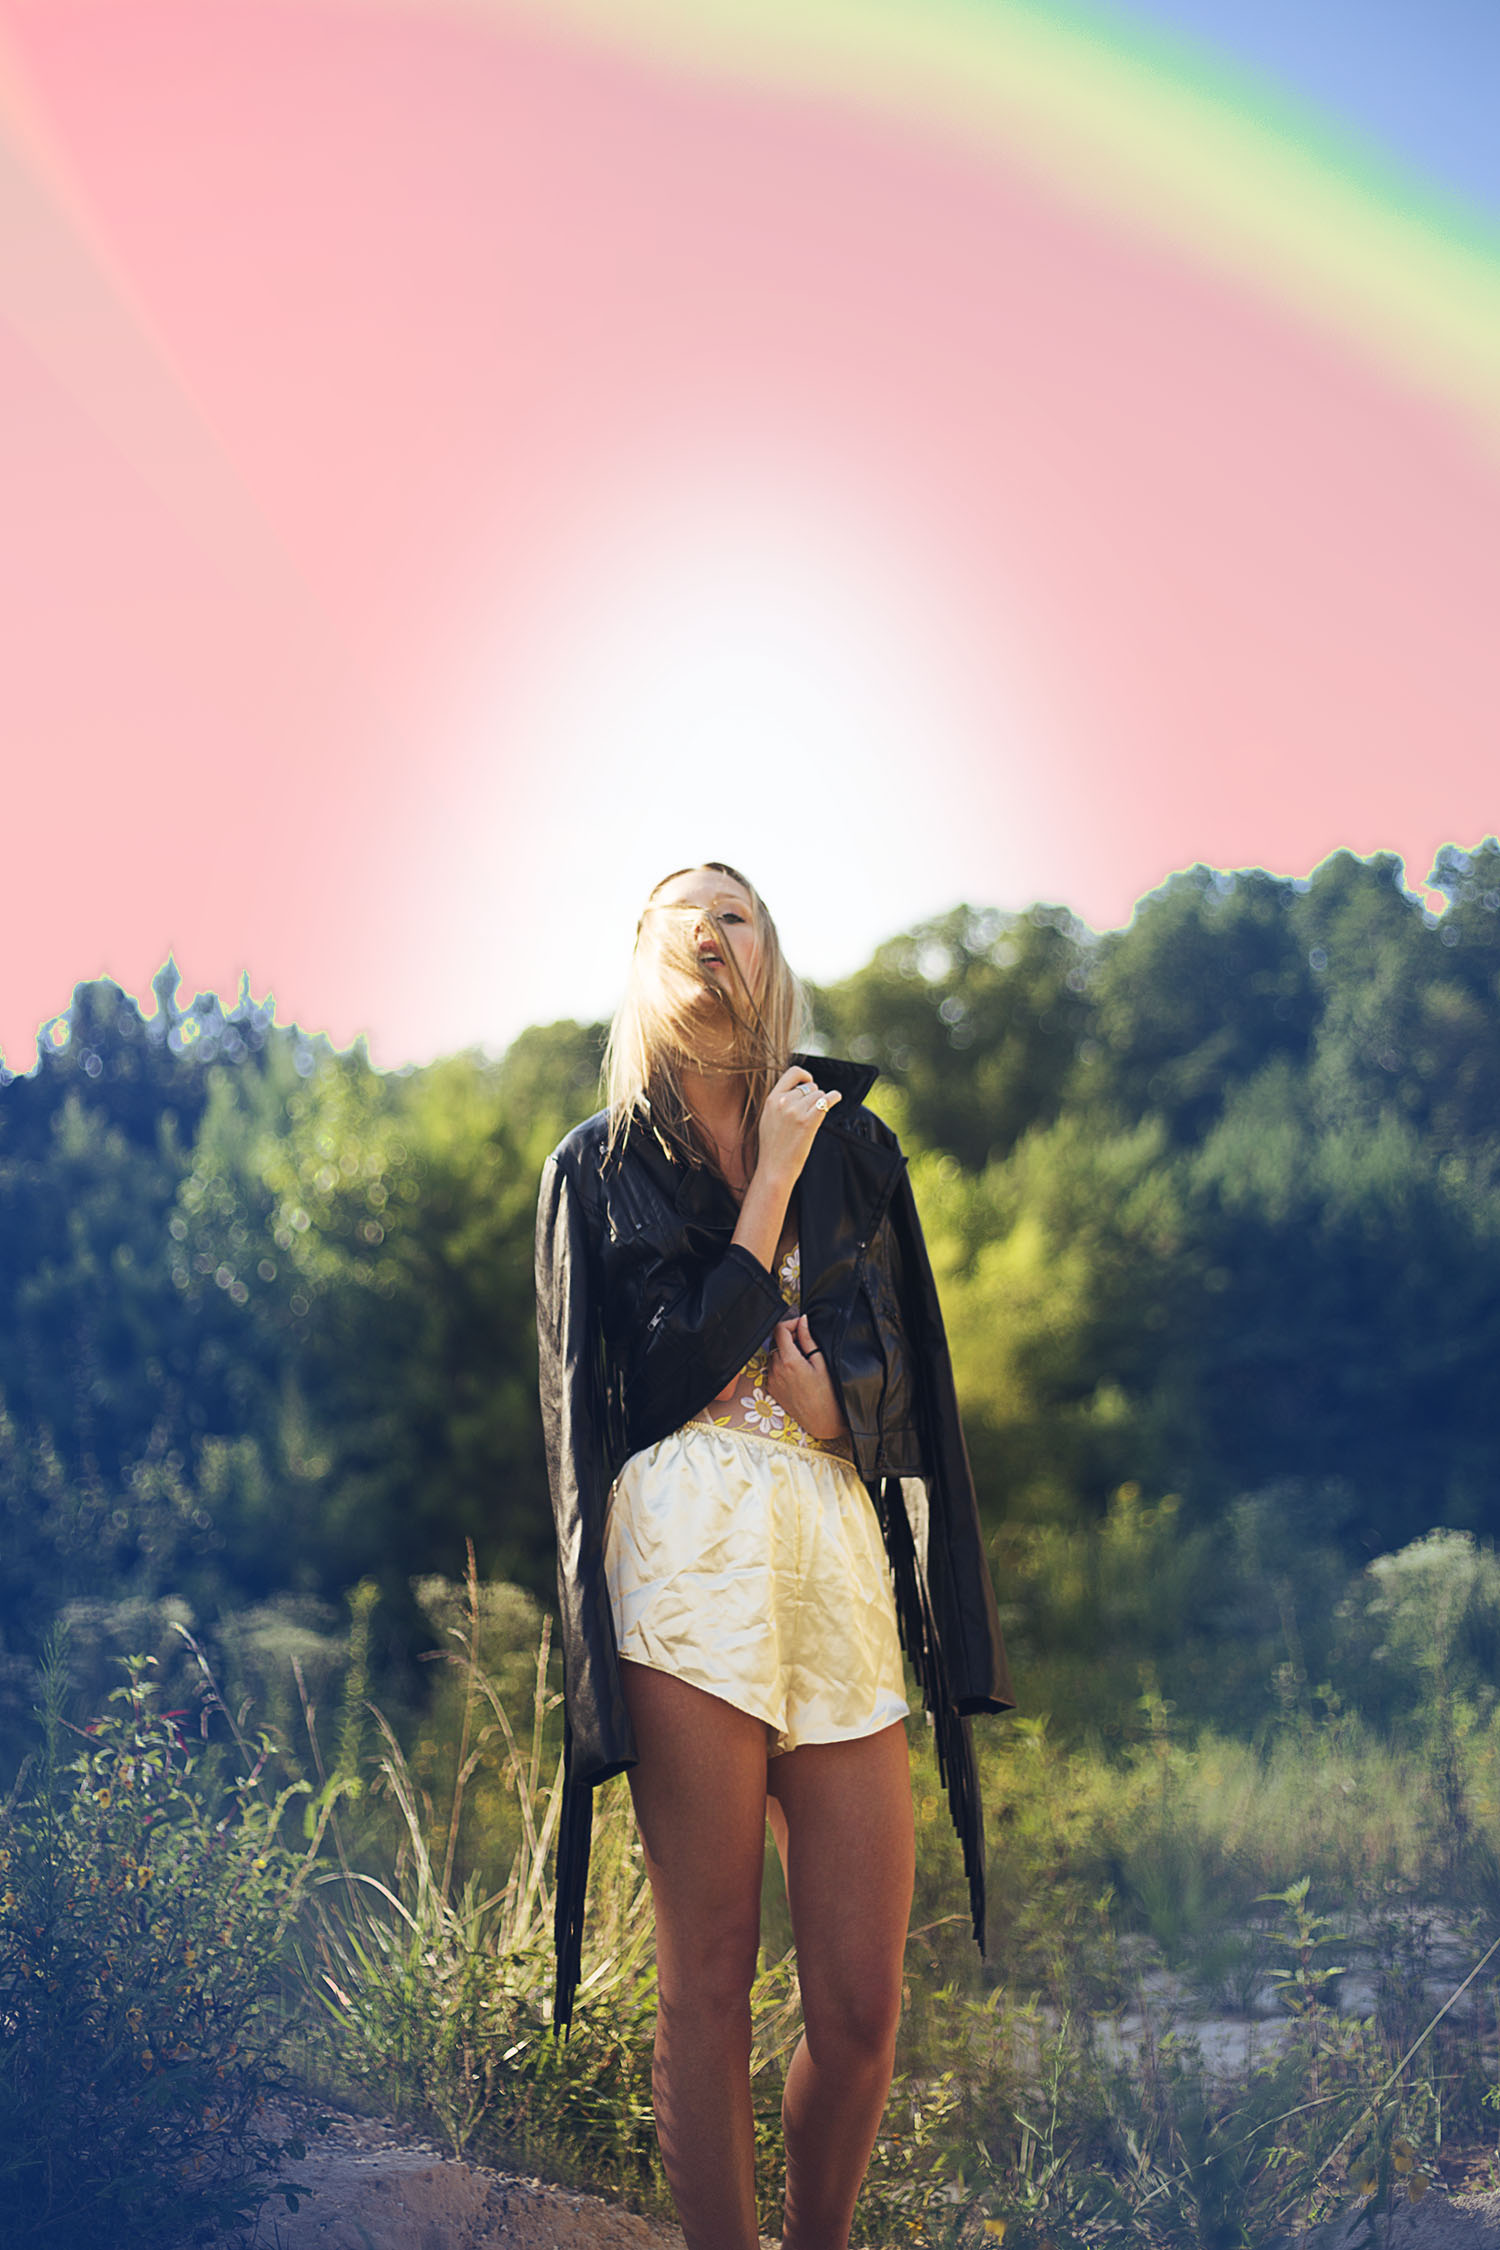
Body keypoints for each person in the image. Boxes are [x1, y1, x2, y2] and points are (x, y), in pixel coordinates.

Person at [534, 862, 1012, 2250]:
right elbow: (644, 1383)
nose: (709, 930)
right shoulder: (595, 1167)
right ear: (645, 961)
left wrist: (838, 1413)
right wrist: (771, 1187)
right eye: (682, 915)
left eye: (734, 912)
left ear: (771, 955)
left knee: (861, 2007)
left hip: (835, 1550)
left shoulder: (862, 1152)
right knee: (711, 1974)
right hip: (683, 1560)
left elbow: (914, 1380)